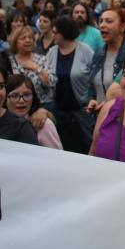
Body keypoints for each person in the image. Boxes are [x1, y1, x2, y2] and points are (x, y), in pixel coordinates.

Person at [46, 16, 95, 153]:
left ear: (64, 33)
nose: (52, 35)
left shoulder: (85, 51)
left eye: (55, 32)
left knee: (88, 143)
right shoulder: (52, 52)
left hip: (82, 109)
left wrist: (91, 99)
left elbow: (94, 77)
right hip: (58, 109)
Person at [89, 8, 125, 105]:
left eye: (109, 21)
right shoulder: (98, 53)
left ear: (122, 27)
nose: (102, 25)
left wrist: (108, 104)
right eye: (101, 21)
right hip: (99, 113)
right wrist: (92, 100)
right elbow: (91, 86)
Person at [5, 74, 61, 149]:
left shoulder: (43, 125)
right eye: (14, 96)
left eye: (27, 95)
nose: (21, 100)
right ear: (5, 98)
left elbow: (56, 154)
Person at [9, 24, 56, 106]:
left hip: (41, 105)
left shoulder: (42, 59)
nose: (28, 40)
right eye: (23, 38)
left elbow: (51, 82)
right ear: (15, 41)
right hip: (16, 104)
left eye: (30, 38)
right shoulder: (9, 61)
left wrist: (36, 68)